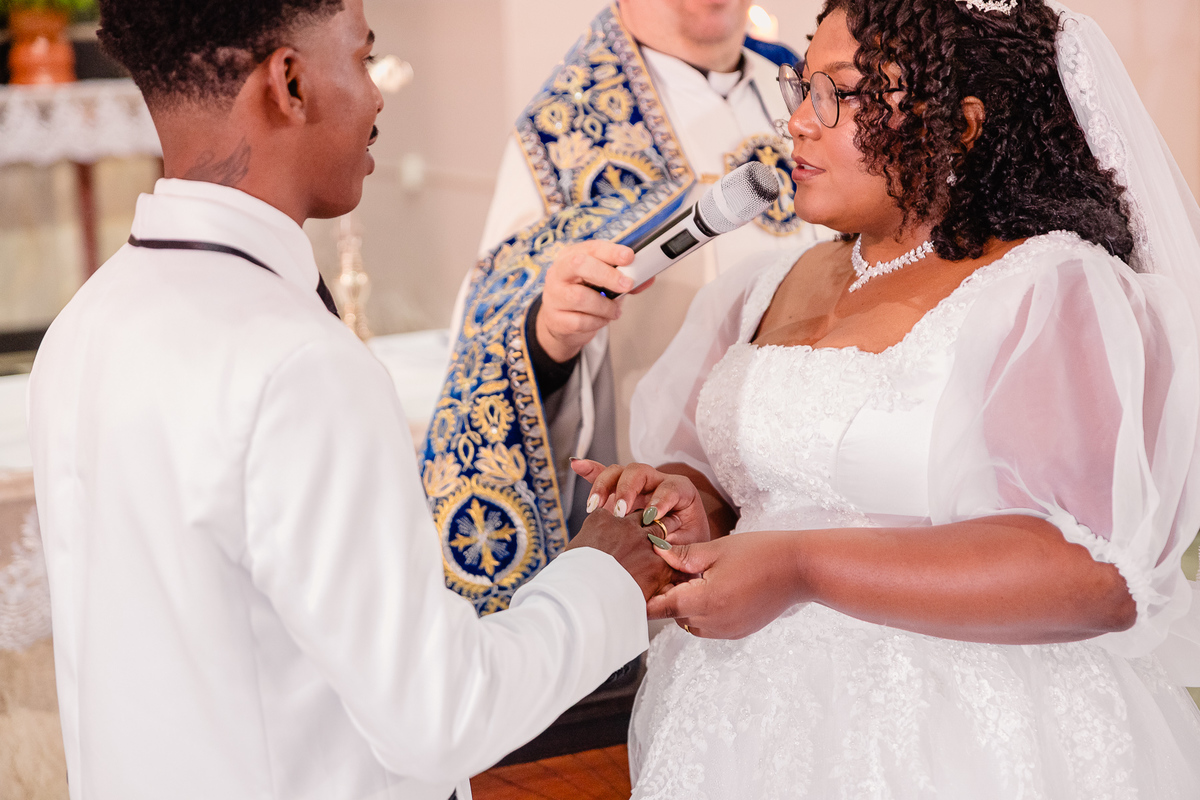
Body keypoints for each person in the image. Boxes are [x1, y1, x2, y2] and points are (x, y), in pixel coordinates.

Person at [26, 2, 677, 799]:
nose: (376, 96)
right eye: (363, 58)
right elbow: (438, 719)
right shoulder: (298, 365)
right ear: (289, 83)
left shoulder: (85, 322)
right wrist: (604, 571)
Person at [573, 0, 1200, 796]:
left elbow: (1096, 578)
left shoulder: (1048, 289)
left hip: (960, 734)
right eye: (800, 87)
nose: (798, 122)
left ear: (961, 127)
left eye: (837, 94)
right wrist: (690, 503)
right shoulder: (764, 287)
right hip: (745, 725)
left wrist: (802, 567)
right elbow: (756, 493)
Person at [426, 0, 824, 614]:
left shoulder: (809, 91)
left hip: (828, 500)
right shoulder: (562, 137)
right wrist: (548, 335)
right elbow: (493, 343)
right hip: (681, 520)